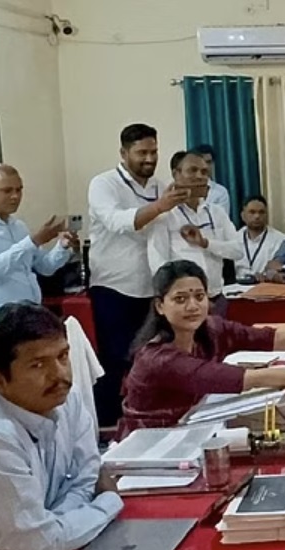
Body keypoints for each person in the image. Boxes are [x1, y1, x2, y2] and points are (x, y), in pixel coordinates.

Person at [0, 303, 123, 550]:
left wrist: (53, 526)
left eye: (62, 356)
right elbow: (33, 546)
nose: (59, 374)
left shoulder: (66, 397)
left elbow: (86, 478)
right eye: (38, 365)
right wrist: (109, 502)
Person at [118, 260, 285, 437]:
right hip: (151, 445)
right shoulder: (158, 359)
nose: (193, 306)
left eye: (199, 296)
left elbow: (266, 337)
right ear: (160, 306)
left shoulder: (211, 329)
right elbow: (248, 379)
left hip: (195, 429)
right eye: (180, 299)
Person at [87, 123, 189, 426]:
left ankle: (148, 416)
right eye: (142, 152)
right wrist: (160, 206)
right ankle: (113, 424)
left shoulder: (159, 186)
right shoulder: (103, 184)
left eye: (154, 151)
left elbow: (165, 231)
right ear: (123, 153)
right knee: (117, 359)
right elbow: (118, 222)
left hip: (152, 286)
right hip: (114, 286)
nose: (149, 158)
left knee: (151, 356)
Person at [0, 163, 77, 366]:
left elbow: (44, 267)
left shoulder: (18, 226)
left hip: (31, 318)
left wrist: (63, 247)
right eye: (7, 190)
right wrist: (33, 241)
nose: (15, 196)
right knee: (6, 387)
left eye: (19, 190)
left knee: (36, 387)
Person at [147, 150, 241, 316]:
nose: (200, 176)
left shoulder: (216, 212)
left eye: (204, 172)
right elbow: (158, 264)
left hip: (215, 298)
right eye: (192, 170)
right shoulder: (165, 214)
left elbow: (237, 250)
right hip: (182, 302)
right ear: (176, 174)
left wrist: (206, 243)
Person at [233, 195, 285, 281]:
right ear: (243, 216)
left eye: (261, 212)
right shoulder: (233, 238)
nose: (257, 216)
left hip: (267, 286)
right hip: (237, 286)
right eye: (252, 212)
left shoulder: (280, 239)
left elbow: (279, 269)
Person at [193, 144, 232, 216]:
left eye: (209, 162)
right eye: (202, 162)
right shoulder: (187, 189)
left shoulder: (221, 192)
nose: (205, 166)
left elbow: (221, 221)